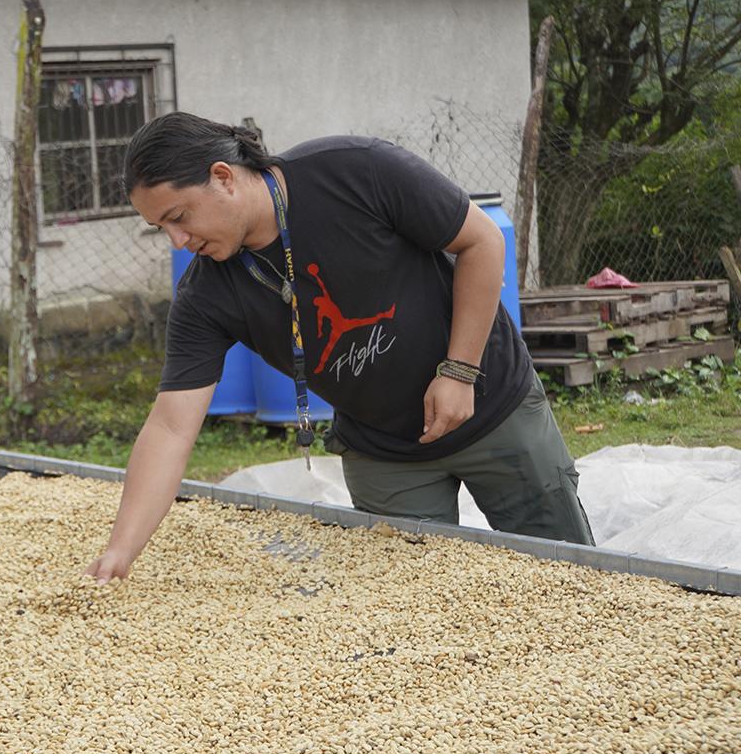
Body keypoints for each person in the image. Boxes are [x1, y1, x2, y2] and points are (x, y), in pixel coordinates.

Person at [84, 111, 594, 584]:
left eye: (179, 217)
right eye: (162, 229)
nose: (177, 241)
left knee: (568, 578)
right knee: (414, 606)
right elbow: (172, 424)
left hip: (494, 407)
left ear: (222, 177)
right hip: (386, 451)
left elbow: (482, 241)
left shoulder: (355, 170)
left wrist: (460, 371)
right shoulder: (204, 295)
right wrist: (120, 554)